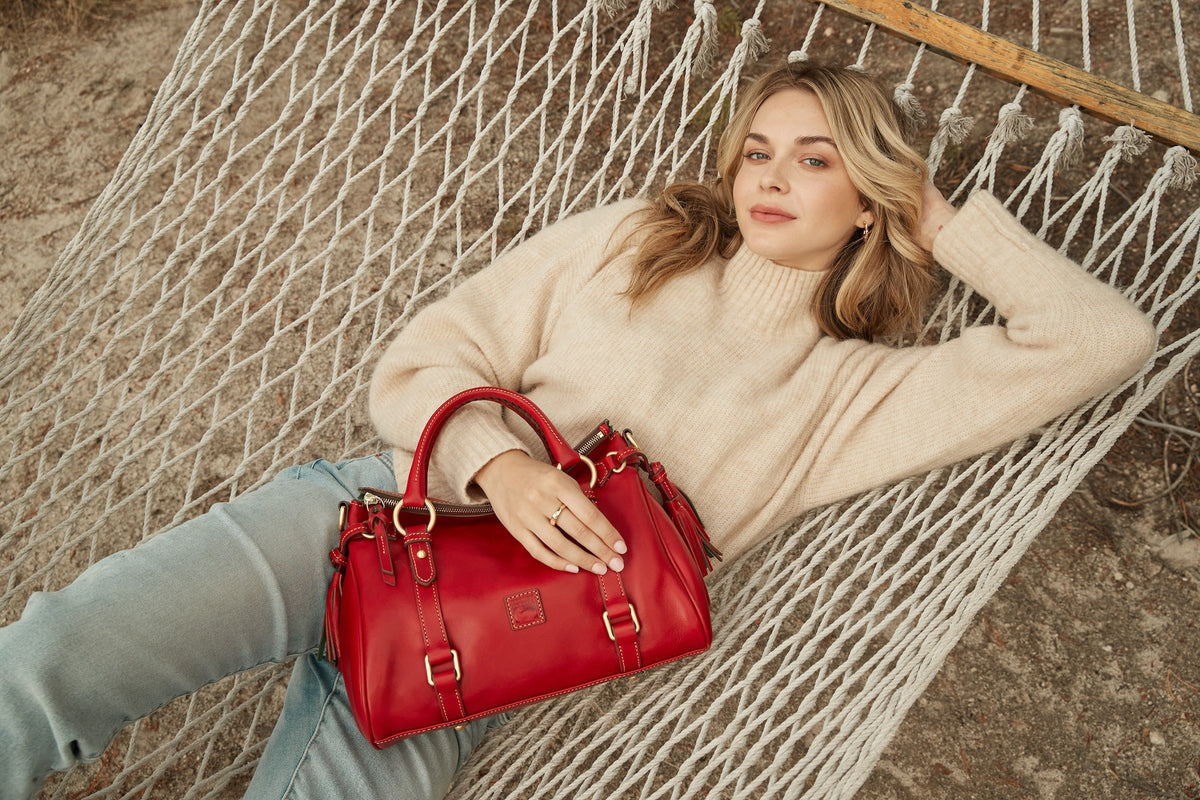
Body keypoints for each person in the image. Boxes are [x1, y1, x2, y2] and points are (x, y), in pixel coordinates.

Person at [0, 61, 1156, 800]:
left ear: (872, 196)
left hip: (482, 650)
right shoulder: (637, 239)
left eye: (817, 160)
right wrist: (500, 464)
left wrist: (938, 213)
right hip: (364, 515)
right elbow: (425, 354)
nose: (774, 177)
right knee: (53, 660)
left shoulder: (854, 393)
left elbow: (1102, 340)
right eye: (759, 149)